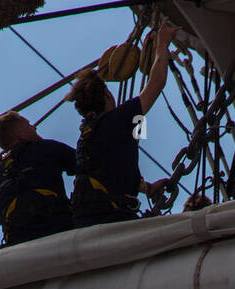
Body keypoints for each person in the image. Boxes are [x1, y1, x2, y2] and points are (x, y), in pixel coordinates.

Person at [70, 23, 178, 229]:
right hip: (109, 218)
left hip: (86, 220)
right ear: (107, 96)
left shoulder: (87, 135)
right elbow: (156, 85)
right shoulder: (117, 119)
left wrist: (147, 188)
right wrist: (162, 45)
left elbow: (110, 170)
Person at [0, 110, 76, 253]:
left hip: (19, 253)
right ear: (21, 134)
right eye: (30, 125)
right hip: (61, 237)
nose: (34, 128)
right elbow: (89, 164)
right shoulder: (46, 148)